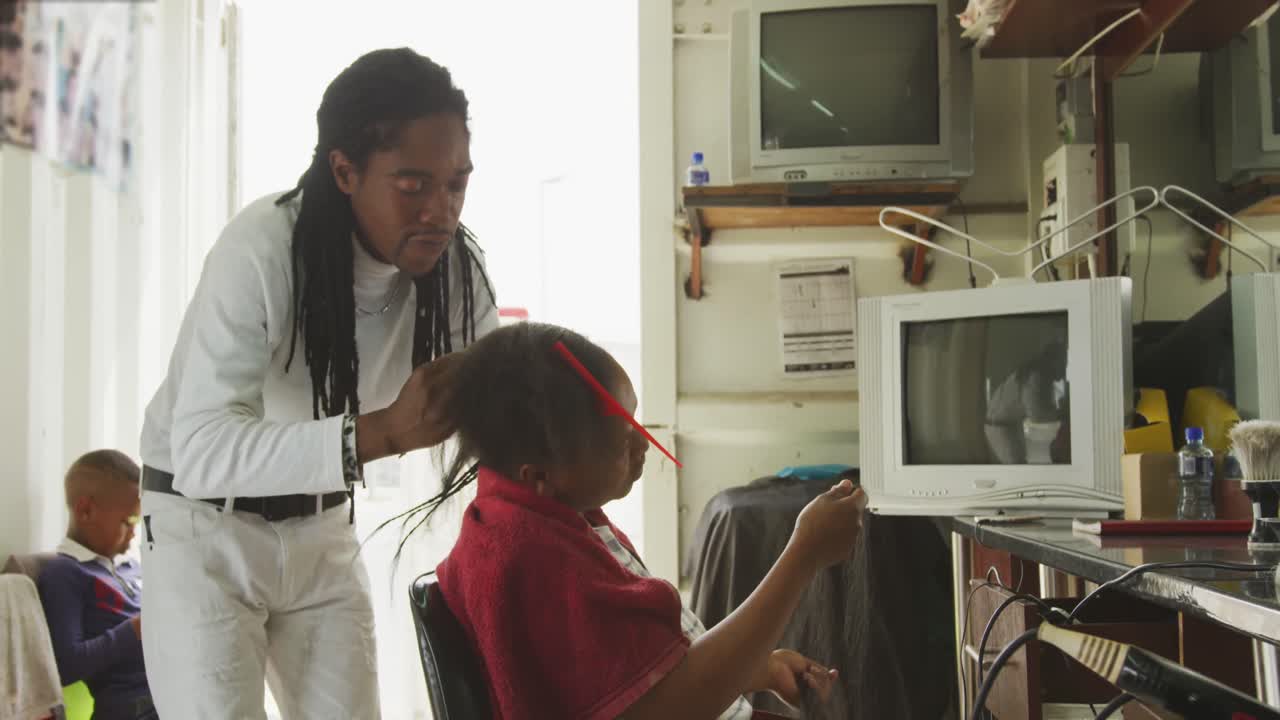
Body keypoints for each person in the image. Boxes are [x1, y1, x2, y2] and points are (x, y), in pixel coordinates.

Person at [137, 48, 497, 719]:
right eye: (413, 185)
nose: (440, 211)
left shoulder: (457, 271)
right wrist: (384, 432)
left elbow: (498, 417)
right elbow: (203, 450)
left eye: (456, 184)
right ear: (344, 171)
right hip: (200, 532)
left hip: (323, 527)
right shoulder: (263, 249)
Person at [410, 322, 866, 719]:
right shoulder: (534, 559)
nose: (643, 446)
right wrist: (802, 556)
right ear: (541, 474)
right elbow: (667, 709)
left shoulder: (537, 517)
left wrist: (757, 667)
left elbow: (647, 679)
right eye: (621, 440)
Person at [37, 450, 153, 720]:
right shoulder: (65, 574)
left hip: (172, 692)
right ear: (86, 510)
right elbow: (66, 664)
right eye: (127, 522)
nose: (134, 533)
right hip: (134, 707)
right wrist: (137, 628)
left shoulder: (129, 567)